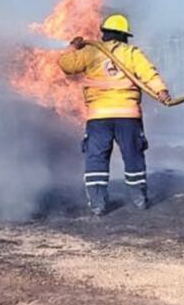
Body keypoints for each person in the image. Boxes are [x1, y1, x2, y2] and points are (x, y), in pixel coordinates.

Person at [59, 14, 171, 215]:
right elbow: (149, 73)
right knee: (133, 155)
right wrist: (161, 91)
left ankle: (98, 204)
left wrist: (73, 47)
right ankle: (139, 199)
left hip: (98, 117)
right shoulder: (132, 53)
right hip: (128, 115)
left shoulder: (90, 52)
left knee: (96, 158)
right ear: (125, 36)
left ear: (104, 34)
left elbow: (67, 65)